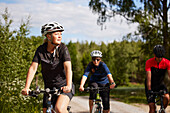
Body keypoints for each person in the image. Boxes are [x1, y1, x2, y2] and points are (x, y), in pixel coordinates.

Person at [21, 22, 74, 113]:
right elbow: (33, 68)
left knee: (59, 109)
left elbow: (68, 68)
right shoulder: (41, 50)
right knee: (46, 110)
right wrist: (27, 87)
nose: (60, 36)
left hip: (63, 87)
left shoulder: (63, 48)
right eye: (56, 34)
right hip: (48, 88)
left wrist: (68, 85)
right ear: (48, 36)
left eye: (60, 34)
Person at [145, 45, 170, 113]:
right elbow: (148, 77)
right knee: (152, 109)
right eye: (158, 57)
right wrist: (149, 90)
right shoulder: (149, 62)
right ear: (154, 55)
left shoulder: (167, 62)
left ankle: (162, 109)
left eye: (161, 57)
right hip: (150, 84)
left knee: (167, 97)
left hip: (160, 84)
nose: (159, 59)